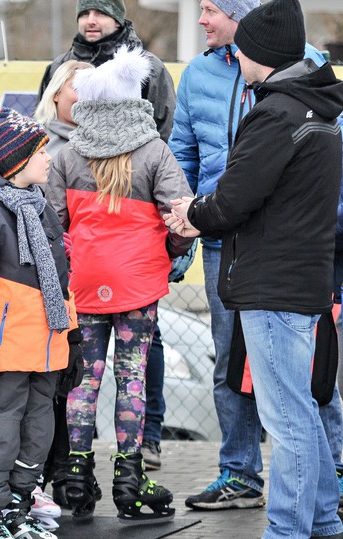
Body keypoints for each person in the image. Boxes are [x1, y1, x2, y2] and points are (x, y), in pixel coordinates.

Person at [165, 0, 343, 534]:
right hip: (305, 276)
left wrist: (191, 215)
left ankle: (288, 527)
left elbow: (235, 197)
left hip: (270, 282)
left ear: (261, 54)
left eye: (242, 50)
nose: (234, 56)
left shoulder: (275, 114)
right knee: (305, 409)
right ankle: (325, 518)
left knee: (287, 418)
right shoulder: (320, 112)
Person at [46, 46, 192, 524]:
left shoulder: (68, 153)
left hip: (85, 282)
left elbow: (52, 222)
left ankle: (76, 474)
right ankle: (130, 478)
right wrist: (166, 255)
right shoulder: (154, 151)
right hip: (137, 282)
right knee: (131, 377)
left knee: (84, 380)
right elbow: (182, 215)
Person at [0, 105, 79, 539]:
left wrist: (73, 336)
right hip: (4, 353)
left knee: (36, 436)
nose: (49, 158)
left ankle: (18, 507)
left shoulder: (41, 208)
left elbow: (62, 281)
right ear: (17, 159)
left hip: (47, 352)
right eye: (42, 151)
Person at [37, 0, 175, 142]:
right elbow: (45, 118)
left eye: (101, 13)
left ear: (117, 20)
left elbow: (166, 128)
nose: (90, 21)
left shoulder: (145, 67)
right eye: (84, 14)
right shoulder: (60, 66)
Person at [34, 60, 94, 157]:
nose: (84, 98)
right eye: (76, 88)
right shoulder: (33, 141)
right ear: (56, 94)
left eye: (90, 91)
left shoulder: (111, 142)